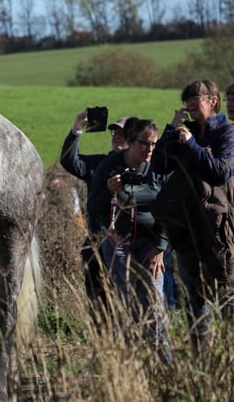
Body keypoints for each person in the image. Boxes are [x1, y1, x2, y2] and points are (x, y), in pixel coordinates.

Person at [151, 79, 234, 353]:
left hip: (219, 229)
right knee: (195, 302)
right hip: (185, 229)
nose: (189, 104)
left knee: (225, 296)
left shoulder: (227, 134)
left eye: (195, 99)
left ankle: (227, 359)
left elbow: (220, 172)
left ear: (213, 100)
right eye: (185, 100)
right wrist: (172, 129)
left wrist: (191, 145)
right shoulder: (183, 133)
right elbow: (159, 165)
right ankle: (203, 361)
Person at [88, 118, 171, 361]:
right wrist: (109, 192)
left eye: (154, 144)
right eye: (144, 144)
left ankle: (164, 367)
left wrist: (160, 248)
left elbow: (170, 208)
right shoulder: (109, 166)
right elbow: (93, 207)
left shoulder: (158, 166)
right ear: (130, 142)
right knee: (127, 305)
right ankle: (130, 369)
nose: (149, 149)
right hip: (118, 244)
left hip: (151, 245)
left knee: (155, 305)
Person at [60, 110, 131, 316]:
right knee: (98, 298)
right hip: (97, 242)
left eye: (123, 133)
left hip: (131, 243)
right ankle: (104, 339)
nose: (117, 136)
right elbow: (69, 161)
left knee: (130, 299)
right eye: (114, 133)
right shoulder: (99, 164)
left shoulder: (142, 168)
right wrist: (77, 128)